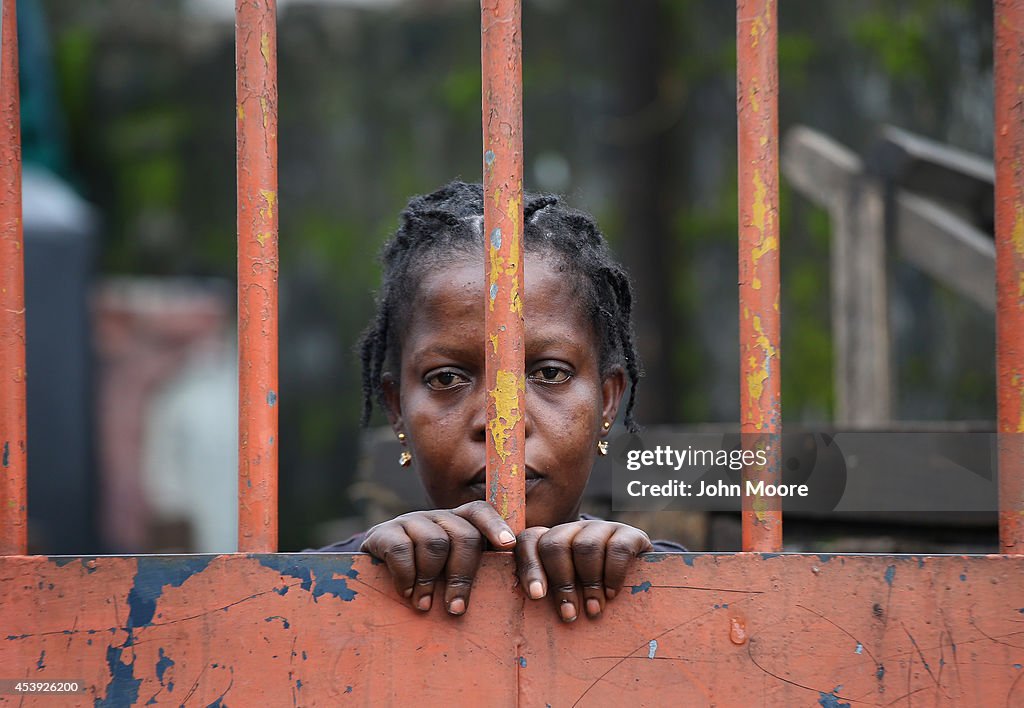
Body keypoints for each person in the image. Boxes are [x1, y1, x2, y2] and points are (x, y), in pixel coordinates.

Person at [316, 181, 684, 622]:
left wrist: (639, 569)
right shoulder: (307, 587)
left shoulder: (683, 584)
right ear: (396, 408)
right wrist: (363, 567)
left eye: (550, 373)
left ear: (607, 401)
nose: (501, 424)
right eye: (447, 378)